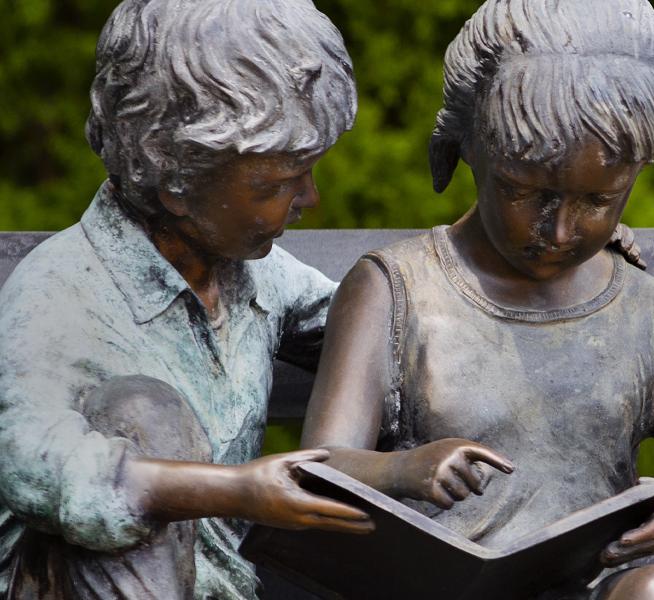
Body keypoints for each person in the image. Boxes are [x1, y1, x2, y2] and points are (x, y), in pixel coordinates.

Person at [300, 0, 654, 598]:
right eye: (524, 193)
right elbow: (316, 469)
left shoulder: (644, 311)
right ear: (467, 147)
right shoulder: (396, 289)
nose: (558, 232)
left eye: (598, 202)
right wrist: (398, 469)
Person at [0, 1, 374, 598]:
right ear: (175, 177)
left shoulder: (257, 276)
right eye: (276, 184)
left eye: (307, 172)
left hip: (234, 587)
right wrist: (235, 489)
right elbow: (28, 462)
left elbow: (368, 325)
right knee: (144, 413)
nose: (311, 199)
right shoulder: (60, 293)